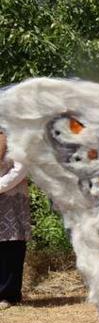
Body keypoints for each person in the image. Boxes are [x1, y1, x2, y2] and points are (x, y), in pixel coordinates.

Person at [0, 131, 30, 310]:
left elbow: (21, 168)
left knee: (11, 246)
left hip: (11, 199)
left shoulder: (16, 135)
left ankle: (8, 294)